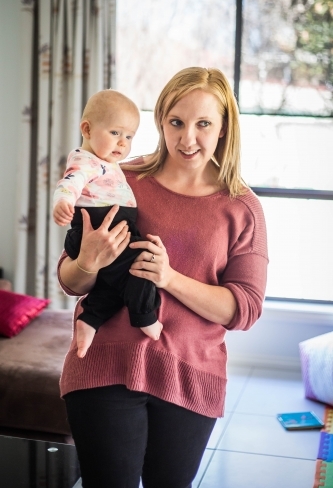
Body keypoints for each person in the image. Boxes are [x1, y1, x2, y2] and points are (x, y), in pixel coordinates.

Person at [58, 67, 268, 488]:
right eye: (176, 122)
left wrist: (169, 277)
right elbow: (70, 281)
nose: (187, 138)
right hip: (105, 364)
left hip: (190, 374)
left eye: (203, 123)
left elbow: (244, 309)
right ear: (160, 122)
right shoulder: (117, 178)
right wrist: (88, 263)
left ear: (224, 127)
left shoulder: (242, 208)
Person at [53, 90, 162, 357]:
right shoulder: (86, 161)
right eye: (115, 133)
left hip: (113, 231)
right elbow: (70, 182)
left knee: (112, 285)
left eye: (129, 136)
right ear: (87, 129)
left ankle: (90, 320)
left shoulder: (109, 163)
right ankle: (144, 315)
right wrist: (63, 202)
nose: (123, 143)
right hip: (99, 230)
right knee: (144, 262)